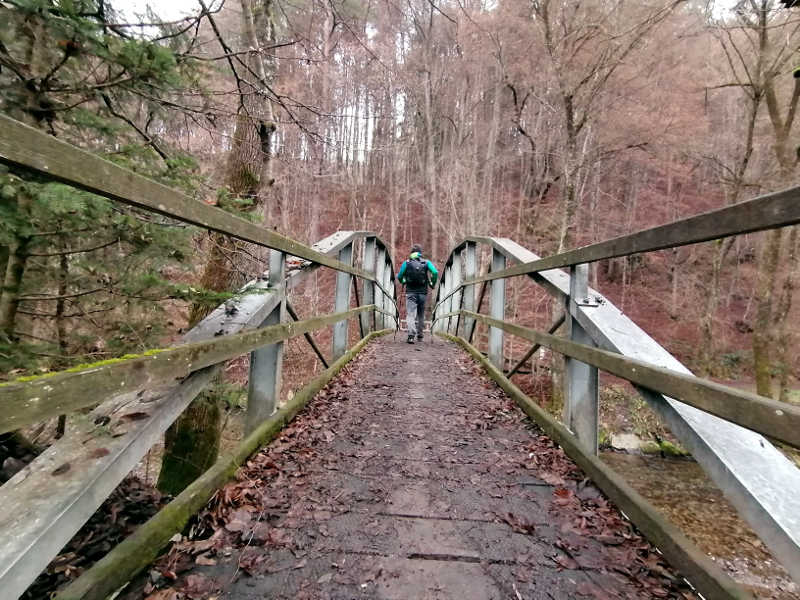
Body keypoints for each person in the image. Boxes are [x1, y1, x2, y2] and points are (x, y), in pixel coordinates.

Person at [396, 244, 438, 344]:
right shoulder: (426, 262)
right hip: (423, 292)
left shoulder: (406, 263)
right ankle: (420, 335)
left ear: (411, 253)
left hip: (410, 292)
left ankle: (411, 335)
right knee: (421, 314)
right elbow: (435, 272)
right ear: (420, 253)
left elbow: (400, 275)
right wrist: (432, 283)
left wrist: (403, 281)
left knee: (411, 314)